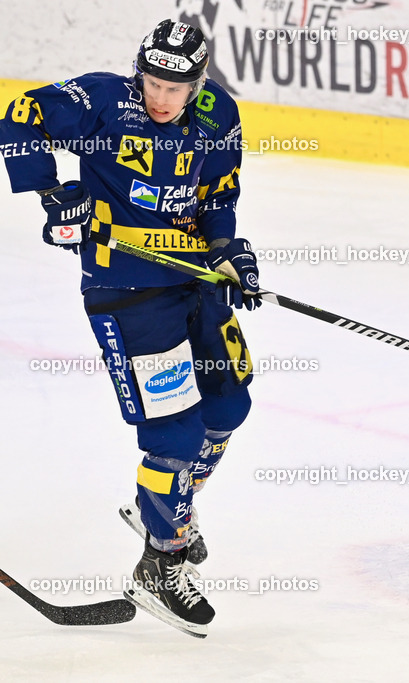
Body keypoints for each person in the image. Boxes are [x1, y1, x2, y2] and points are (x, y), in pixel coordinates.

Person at [0, 19, 260, 638]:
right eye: (152, 82)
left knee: (229, 405)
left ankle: (163, 509)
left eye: (176, 87)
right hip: (127, 292)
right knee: (175, 434)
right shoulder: (103, 101)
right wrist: (54, 196)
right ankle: (160, 564)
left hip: (194, 279)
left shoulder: (217, 114)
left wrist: (228, 250)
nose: (160, 98)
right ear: (137, 72)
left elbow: (218, 195)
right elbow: (18, 118)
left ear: (199, 83)